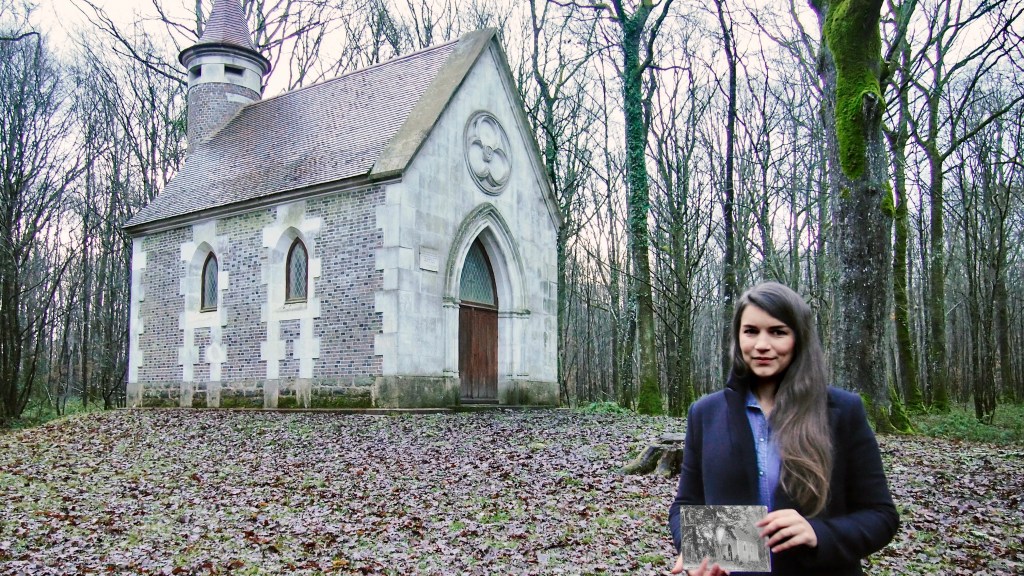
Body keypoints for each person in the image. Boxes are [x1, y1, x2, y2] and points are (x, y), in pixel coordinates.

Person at [668, 282, 898, 576]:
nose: (762, 344)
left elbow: (881, 516)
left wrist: (819, 533)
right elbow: (686, 504)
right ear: (738, 337)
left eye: (778, 332)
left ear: (799, 338)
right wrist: (694, 550)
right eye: (751, 331)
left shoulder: (842, 410)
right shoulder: (706, 413)